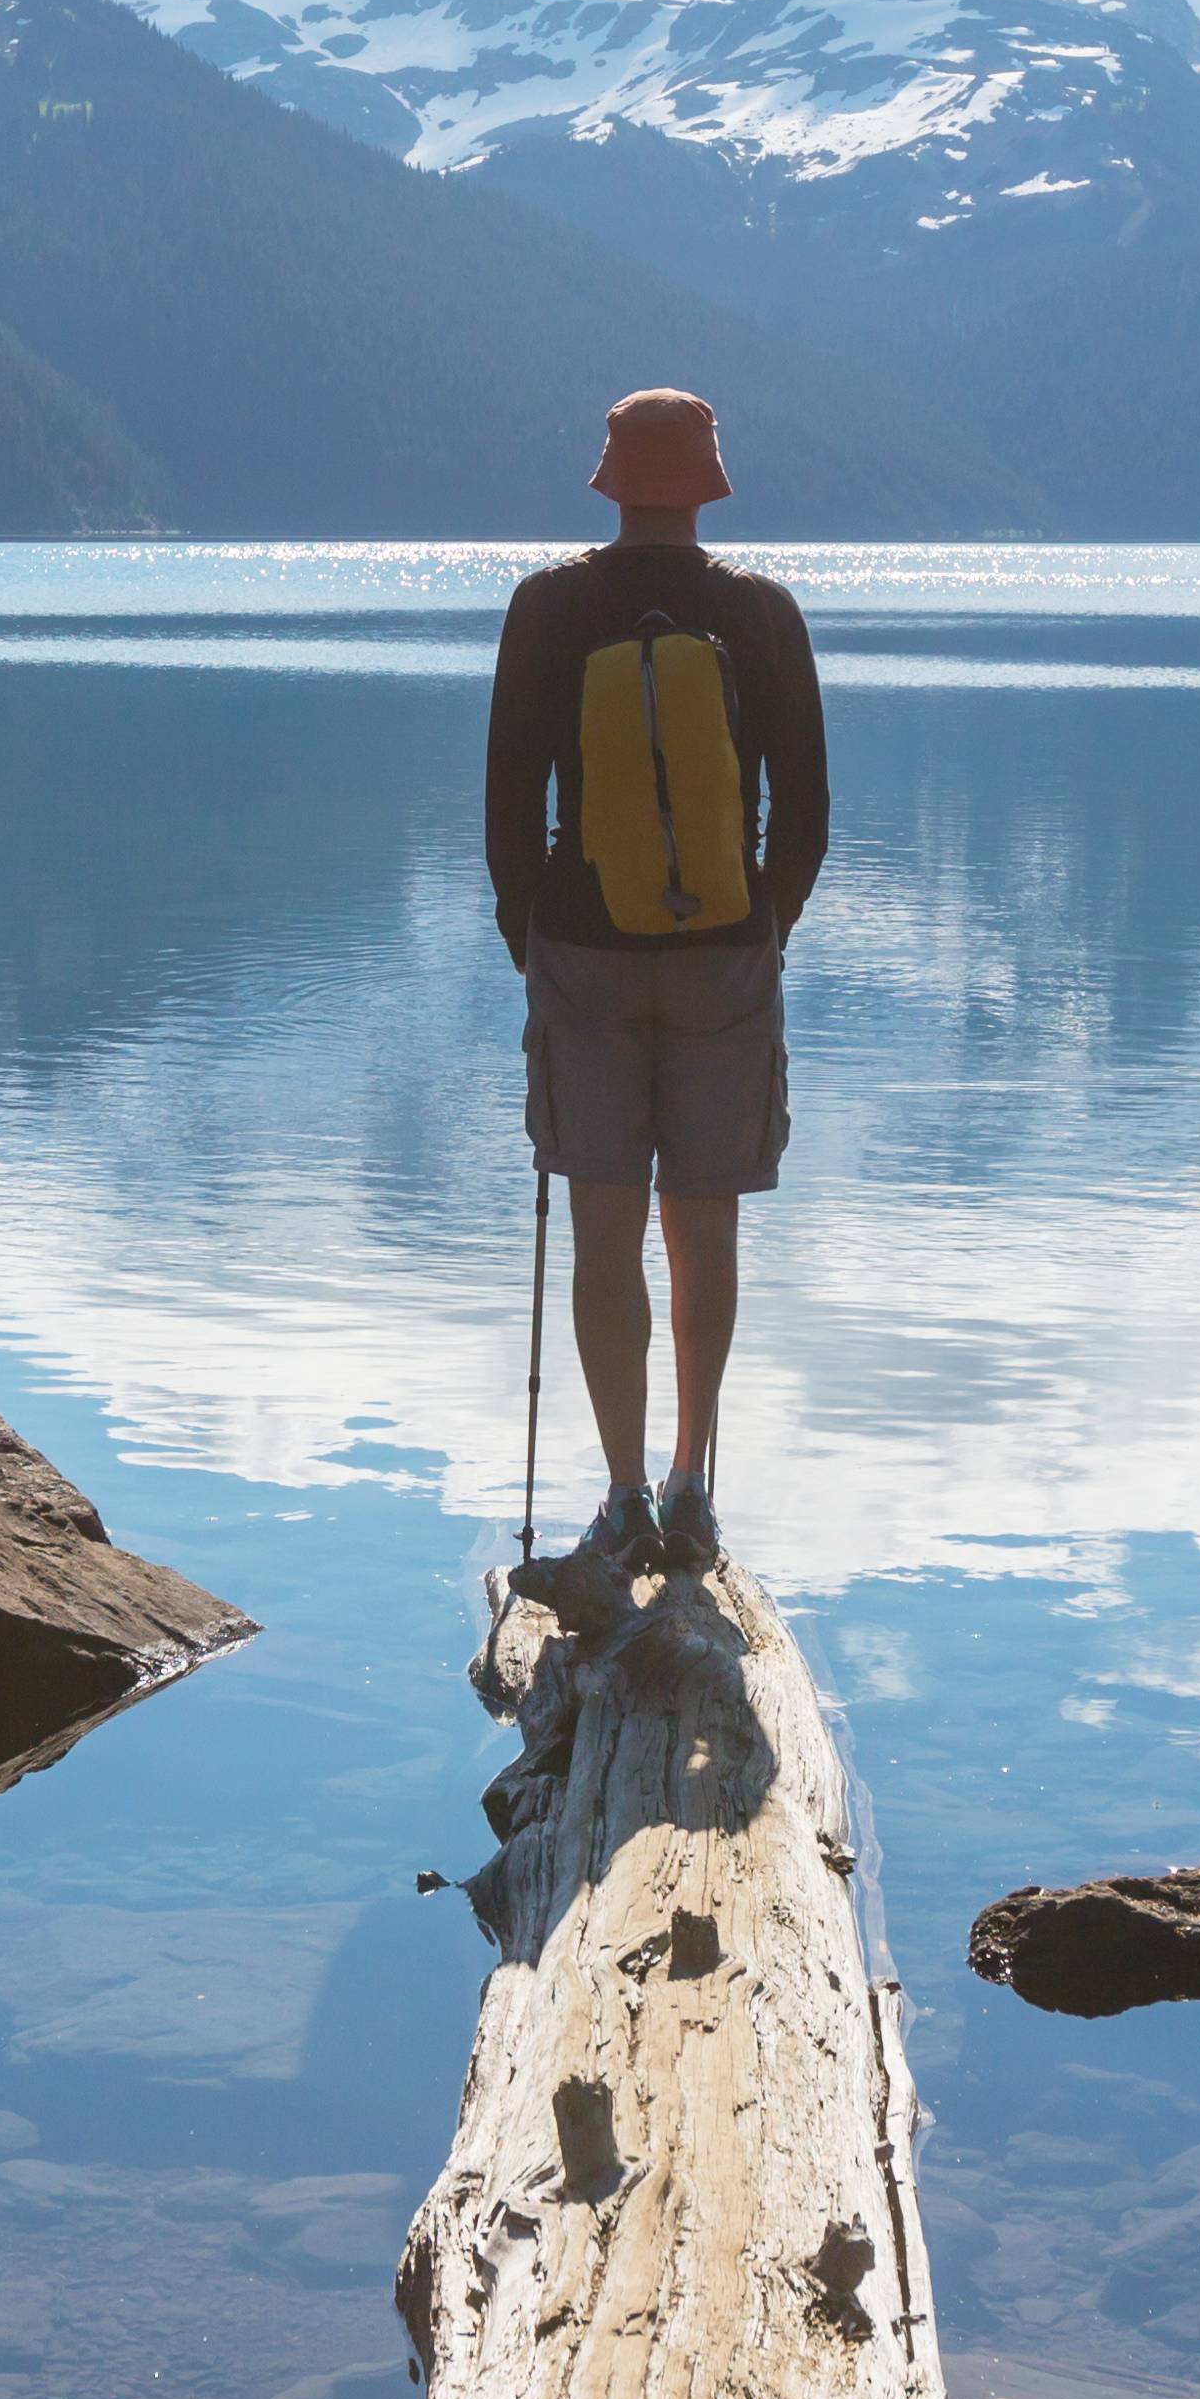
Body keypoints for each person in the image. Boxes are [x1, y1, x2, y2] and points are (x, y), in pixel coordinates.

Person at [482, 387, 827, 1577]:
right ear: (708, 487)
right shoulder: (763, 615)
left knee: (602, 1231)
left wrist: (537, 941)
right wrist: (755, 929)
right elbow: (809, 815)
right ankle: (692, 1490)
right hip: (723, 958)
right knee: (704, 1230)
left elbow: (506, 805)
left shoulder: (547, 608)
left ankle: (619, 1493)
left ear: (611, 484)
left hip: (583, 954)